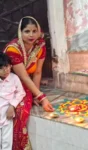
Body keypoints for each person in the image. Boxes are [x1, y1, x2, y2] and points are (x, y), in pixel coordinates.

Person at [3, 16, 54, 150]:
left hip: (25, 85)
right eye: (27, 31)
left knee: (26, 103)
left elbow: (37, 72)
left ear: (39, 31)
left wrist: (35, 95)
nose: (31, 35)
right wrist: (42, 97)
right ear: (20, 32)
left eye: (34, 31)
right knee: (18, 110)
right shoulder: (13, 49)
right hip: (9, 84)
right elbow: (24, 77)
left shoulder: (40, 45)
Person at [0, 52, 25, 150]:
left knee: (6, 143)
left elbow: (21, 93)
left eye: (7, 67)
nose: (5, 70)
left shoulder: (14, 78)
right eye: (1, 68)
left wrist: (12, 106)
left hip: (7, 115)